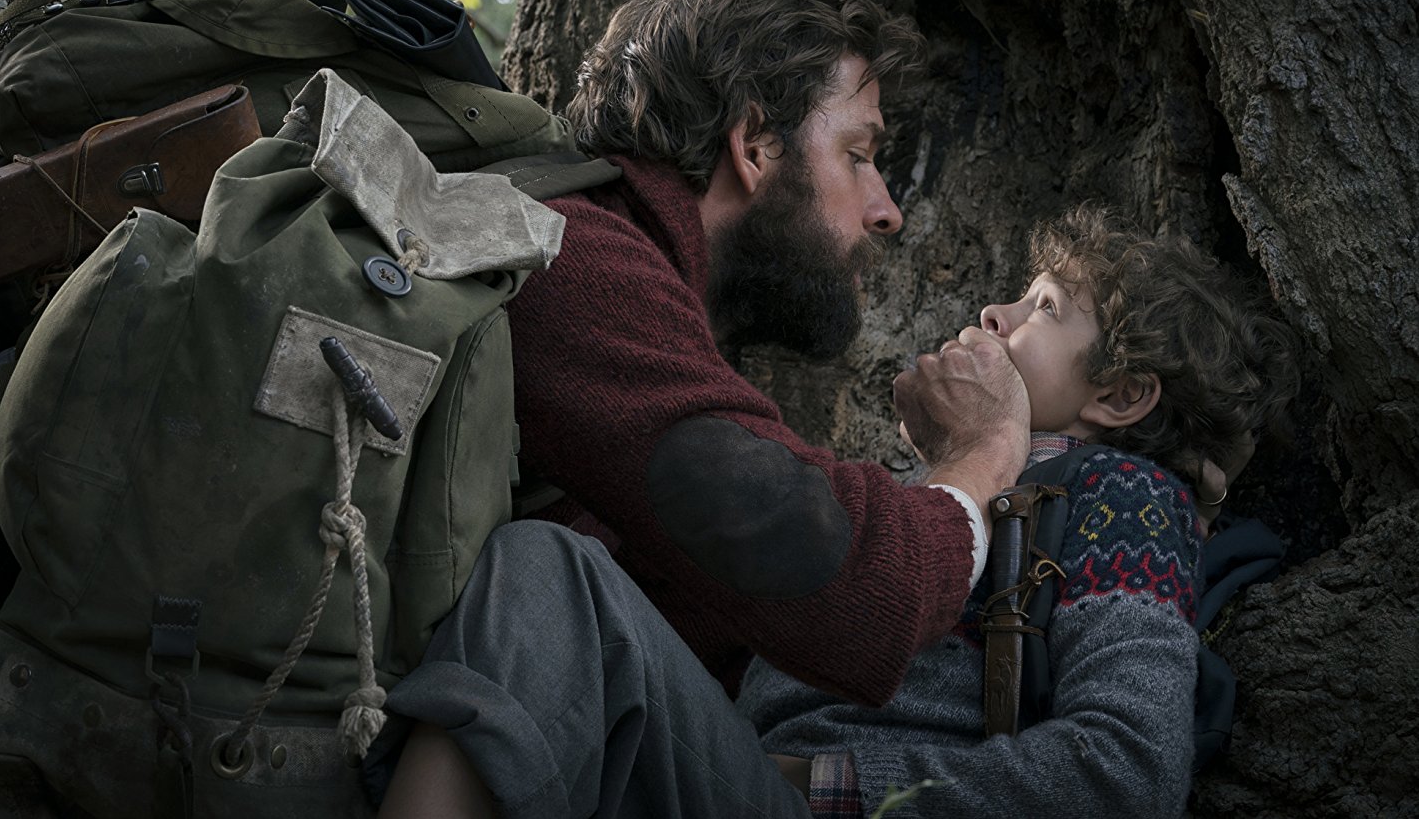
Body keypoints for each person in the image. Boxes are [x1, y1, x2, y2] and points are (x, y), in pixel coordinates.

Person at [369, 204, 1296, 818]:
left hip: (813, 802)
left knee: (549, 573)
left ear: (1124, 397)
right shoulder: (929, 488)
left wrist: (831, 784)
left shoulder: (1123, 499)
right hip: (740, 778)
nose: (997, 308)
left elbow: (1126, 772)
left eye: (1044, 306)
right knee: (548, 565)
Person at [498, 0, 1032, 704]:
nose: (886, 211)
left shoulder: (629, 279)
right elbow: (852, 593)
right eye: (857, 155)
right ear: (753, 145)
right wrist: (986, 453)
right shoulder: (574, 262)